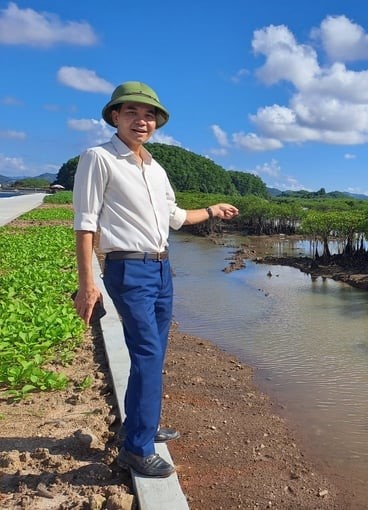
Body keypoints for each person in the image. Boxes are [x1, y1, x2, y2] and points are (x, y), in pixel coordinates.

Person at [72, 81, 239, 477]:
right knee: (147, 353)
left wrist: (212, 210)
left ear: (157, 123)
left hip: (163, 267)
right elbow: (84, 225)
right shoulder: (99, 159)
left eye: (149, 115)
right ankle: (136, 448)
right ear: (115, 116)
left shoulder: (155, 167)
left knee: (154, 353)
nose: (141, 121)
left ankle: (139, 427)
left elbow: (175, 218)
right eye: (131, 112)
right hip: (128, 268)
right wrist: (87, 283)